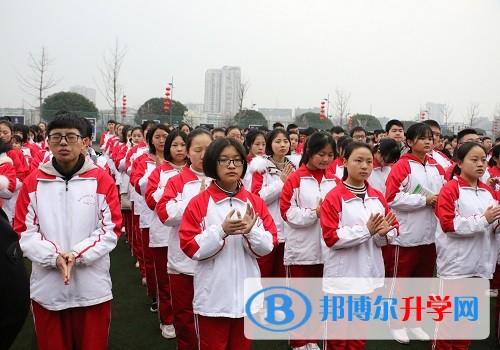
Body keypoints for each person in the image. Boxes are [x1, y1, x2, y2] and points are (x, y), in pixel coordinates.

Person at [14, 111, 122, 350]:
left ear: (85, 141)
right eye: (56, 137)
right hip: (48, 290)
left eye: (71, 136)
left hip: (92, 289)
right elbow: (24, 232)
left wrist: (76, 255)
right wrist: (54, 257)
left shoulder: (101, 181)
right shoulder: (34, 183)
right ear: (48, 141)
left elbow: (111, 230)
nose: (63, 142)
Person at [178, 137, 277, 350]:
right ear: (213, 163)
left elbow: (269, 245)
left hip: (246, 295)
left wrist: (251, 233)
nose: (232, 166)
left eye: (237, 160)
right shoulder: (199, 203)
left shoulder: (255, 202)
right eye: (224, 160)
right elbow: (190, 246)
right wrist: (221, 231)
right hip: (213, 297)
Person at [321, 142, 398, 349]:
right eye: (358, 160)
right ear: (344, 162)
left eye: (369, 161)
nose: (364, 166)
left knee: (358, 336)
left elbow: (393, 230)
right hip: (342, 278)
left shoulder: (377, 196)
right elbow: (332, 238)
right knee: (337, 337)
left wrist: (384, 234)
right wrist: (367, 231)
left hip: (369, 276)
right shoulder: (334, 197)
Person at [433, 142, 500, 349]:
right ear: (460, 163)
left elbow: (491, 226)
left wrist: (495, 223)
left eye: (483, 160)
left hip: (480, 266)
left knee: (466, 324)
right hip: (456, 267)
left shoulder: (488, 191)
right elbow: (449, 225)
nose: (481, 164)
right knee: (448, 325)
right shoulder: (450, 190)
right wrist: (484, 220)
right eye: (474, 160)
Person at [385, 122, 446, 344]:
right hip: (407, 235)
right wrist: (424, 200)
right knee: (401, 281)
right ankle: (396, 323)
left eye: (431, 137)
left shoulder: (436, 166)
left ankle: (414, 321)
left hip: (430, 235)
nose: (428, 141)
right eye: (422, 138)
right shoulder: (402, 166)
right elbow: (392, 198)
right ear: (410, 142)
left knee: (421, 282)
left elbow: (445, 193)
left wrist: (438, 200)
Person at [280, 131, 339, 350]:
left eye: (330, 154)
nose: (325, 159)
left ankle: (312, 337)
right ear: (309, 152)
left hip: (326, 250)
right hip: (301, 249)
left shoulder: (334, 179)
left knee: (317, 297)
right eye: (321, 154)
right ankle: (298, 341)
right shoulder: (296, 178)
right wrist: (314, 213)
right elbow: (287, 212)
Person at [156, 128, 213, 349]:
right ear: (188, 153)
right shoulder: (176, 181)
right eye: (197, 149)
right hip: (183, 262)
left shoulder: (223, 178)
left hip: (213, 261)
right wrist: (195, 200)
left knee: (211, 316)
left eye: (208, 149)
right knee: (185, 316)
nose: (202, 154)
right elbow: (165, 214)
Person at [144, 130, 188, 339]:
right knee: (165, 281)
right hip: (162, 234)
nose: (180, 149)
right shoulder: (160, 172)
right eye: (175, 145)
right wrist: (172, 186)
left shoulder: (197, 172)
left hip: (189, 236)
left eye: (183, 145)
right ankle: (167, 319)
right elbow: (152, 201)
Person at [250, 128, 298, 280]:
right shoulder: (261, 167)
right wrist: (281, 183)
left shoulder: (295, 166)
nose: (283, 145)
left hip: (289, 228)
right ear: (270, 144)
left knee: (282, 275)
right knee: (264, 271)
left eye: (285, 141)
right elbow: (257, 197)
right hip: (268, 227)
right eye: (278, 141)